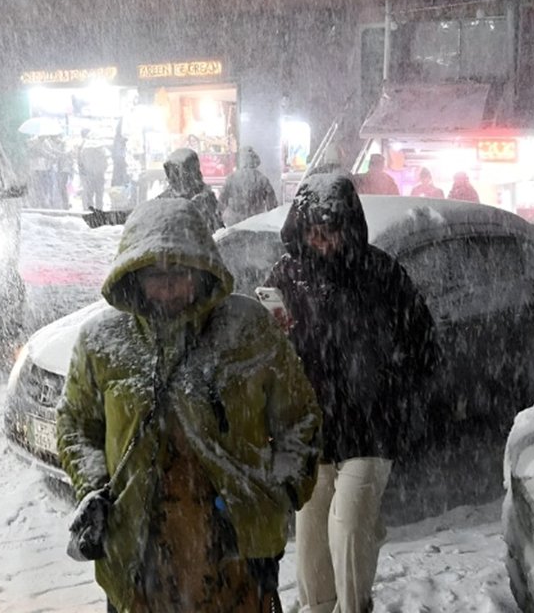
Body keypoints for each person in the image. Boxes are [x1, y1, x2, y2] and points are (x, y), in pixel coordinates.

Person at [57, 198, 322, 613]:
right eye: (155, 276)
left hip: (236, 553)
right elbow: (75, 424)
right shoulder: (101, 342)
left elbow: (300, 417)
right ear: (134, 276)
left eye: (179, 273)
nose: (168, 288)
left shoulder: (247, 329)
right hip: (139, 559)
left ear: (201, 271)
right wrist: (93, 487)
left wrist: (281, 490)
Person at [264, 174, 442, 613]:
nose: (322, 242)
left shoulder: (381, 273)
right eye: (313, 231)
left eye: (332, 230)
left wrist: (389, 388)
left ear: (350, 226)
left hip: (370, 428)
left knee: (349, 529)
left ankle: (353, 607)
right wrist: (276, 337)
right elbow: (265, 354)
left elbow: (424, 347)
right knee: (310, 541)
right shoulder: (287, 275)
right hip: (312, 429)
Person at [157, 147, 224, 230]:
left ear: (191, 173)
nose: (171, 178)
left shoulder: (205, 200)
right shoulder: (162, 201)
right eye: (170, 173)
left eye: (177, 172)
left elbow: (217, 231)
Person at [219, 146, 279, 226]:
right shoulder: (262, 179)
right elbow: (272, 206)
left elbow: (222, 202)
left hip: (234, 224)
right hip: (255, 223)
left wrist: (220, 220)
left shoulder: (231, 178)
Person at [77, 131, 109, 211]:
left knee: (89, 195)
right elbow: (106, 164)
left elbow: (81, 163)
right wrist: (101, 170)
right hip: (99, 175)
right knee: (99, 195)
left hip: (89, 175)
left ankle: (90, 211)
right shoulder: (102, 150)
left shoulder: (85, 150)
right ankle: (99, 211)